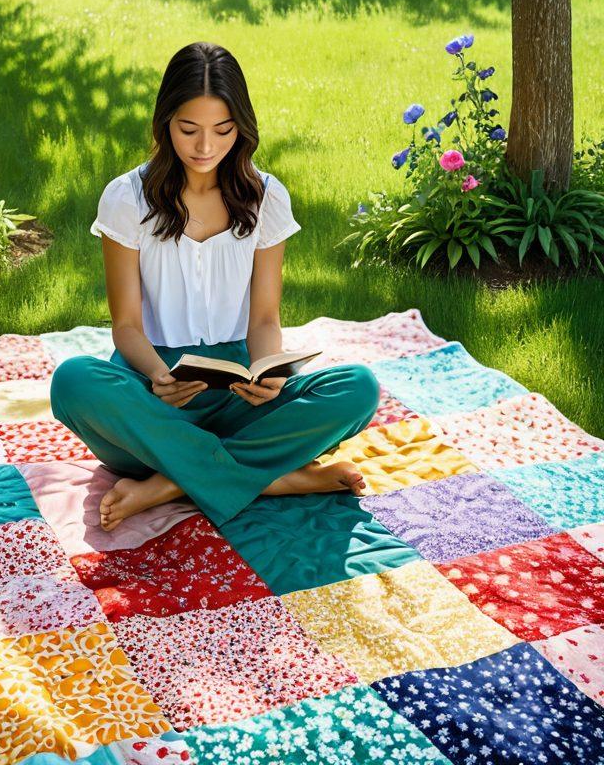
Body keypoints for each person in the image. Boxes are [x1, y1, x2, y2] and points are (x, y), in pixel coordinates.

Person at [50, 41, 380, 532]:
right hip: (153, 399)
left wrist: (270, 376)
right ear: (166, 123)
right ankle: (275, 475)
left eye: (222, 131)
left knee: (358, 388)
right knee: (74, 380)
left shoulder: (266, 198)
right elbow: (126, 325)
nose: (205, 147)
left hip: (237, 397)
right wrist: (160, 377)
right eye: (189, 130)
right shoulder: (126, 198)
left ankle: (170, 483)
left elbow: (265, 320)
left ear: (241, 128)